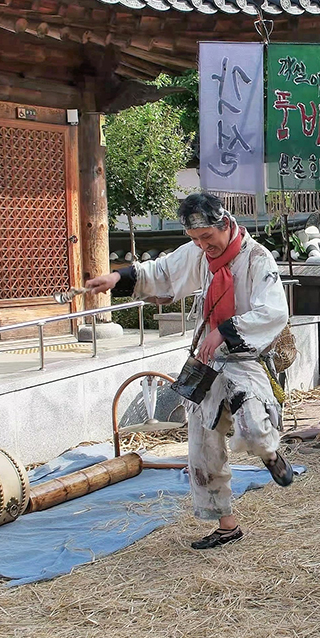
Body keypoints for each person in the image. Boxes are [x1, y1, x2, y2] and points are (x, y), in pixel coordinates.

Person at [85, 192, 292, 550]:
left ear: (225, 224)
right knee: (202, 446)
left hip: (246, 358)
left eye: (207, 237)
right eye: (195, 239)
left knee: (254, 429)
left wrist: (224, 331)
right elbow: (163, 272)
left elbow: (274, 312)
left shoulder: (258, 259)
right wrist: (117, 277)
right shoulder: (198, 254)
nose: (202, 245)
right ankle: (227, 525)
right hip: (206, 362)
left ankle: (271, 455)